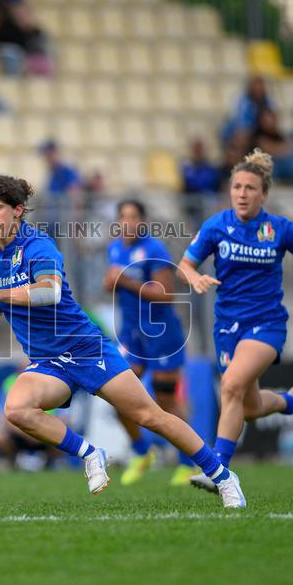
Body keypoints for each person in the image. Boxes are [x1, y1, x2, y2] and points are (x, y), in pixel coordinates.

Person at [0, 174, 246, 508]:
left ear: (18, 210)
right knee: (17, 409)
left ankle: (222, 476)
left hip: (86, 349)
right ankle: (91, 453)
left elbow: (48, 292)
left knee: (151, 416)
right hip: (48, 362)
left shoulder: (38, 246)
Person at [178, 149, 293, 493]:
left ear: (264, 194)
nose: (242, 194)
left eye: (249, 188)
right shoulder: (216, 226)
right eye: (236, 187)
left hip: (267, 325)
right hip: (227, 328)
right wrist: (194, 278)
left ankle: (218, 472)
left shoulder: (279, 229)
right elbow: (185, 264)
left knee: (230, 386)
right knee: (248, 407)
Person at [103, 200, 199, 486]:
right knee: (117, 393)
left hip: (161, 333)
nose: (127, 223)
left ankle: (187, 462)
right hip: (132, 333)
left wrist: (125, 281)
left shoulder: (154, 249)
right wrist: (111, 283)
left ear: (142, 221)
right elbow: (115, 285)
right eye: (123, 217)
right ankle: (142, 452)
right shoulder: (115, 248)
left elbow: (166, 294)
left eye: (133, 217)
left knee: (165, 398)